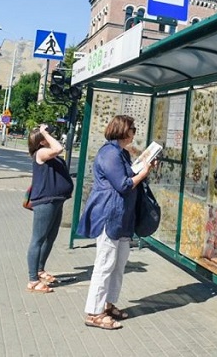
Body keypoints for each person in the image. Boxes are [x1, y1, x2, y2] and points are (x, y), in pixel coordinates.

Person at [77, 115, 154, 330]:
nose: (134, 132)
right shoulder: (110, 153)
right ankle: (94, 312)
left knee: (118, 265)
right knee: (104, 265)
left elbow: (130, 175)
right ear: (122, 130)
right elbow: (123, 184)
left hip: (123, 218)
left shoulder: (121, 152)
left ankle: (108, 304)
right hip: (109, 215)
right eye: (132, 128)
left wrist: (145, 166)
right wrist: (144, 172)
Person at [25, 124, 74, 293]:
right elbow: (58, 148)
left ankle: (40, 269)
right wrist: (44, 132)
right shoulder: (40, 153)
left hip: (56, 200)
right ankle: (32, 279)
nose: (52, 136)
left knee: (50, 237)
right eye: (47, 136)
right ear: (41, 142)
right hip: (46, 201)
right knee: (38, 239)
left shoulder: (47, 153)